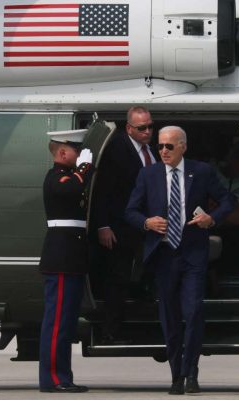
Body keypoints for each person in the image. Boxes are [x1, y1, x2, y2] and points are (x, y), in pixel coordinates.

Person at [125, 126, 234, 394]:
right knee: (170, 316)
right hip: (164, 255)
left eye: (169, 146)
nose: (163, 151)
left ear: (183, 147)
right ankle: (176, 375)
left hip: (192, 253)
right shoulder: (148, 174)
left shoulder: (201, 171)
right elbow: (130, 211)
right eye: (160, 146)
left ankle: (191, 372)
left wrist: (212, 218)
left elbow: (228, 200)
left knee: (193, 311)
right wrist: (147, 222)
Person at [93, 106, 156, 344]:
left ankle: (143, 321)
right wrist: (103, 225)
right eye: (142, 128)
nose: (147, 131)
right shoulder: (117, 150)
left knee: (145, 272)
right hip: (120, 225)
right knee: (117, 277)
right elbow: (102, 190)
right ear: (129, 128)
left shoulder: (151, 150)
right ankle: (111, 330)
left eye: (150, 126)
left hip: (145, 225)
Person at [38, 129, 93, 393]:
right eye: (75, 150)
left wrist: (83, 169)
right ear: (62, 152)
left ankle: (63, 377)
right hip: (61, 258)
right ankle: (53, 379)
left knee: (66, 323)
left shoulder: (69, 176)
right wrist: (84, 168)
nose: (79, 155)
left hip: (71, 258)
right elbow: (73, 188)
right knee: (57, 322)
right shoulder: (57, 178)